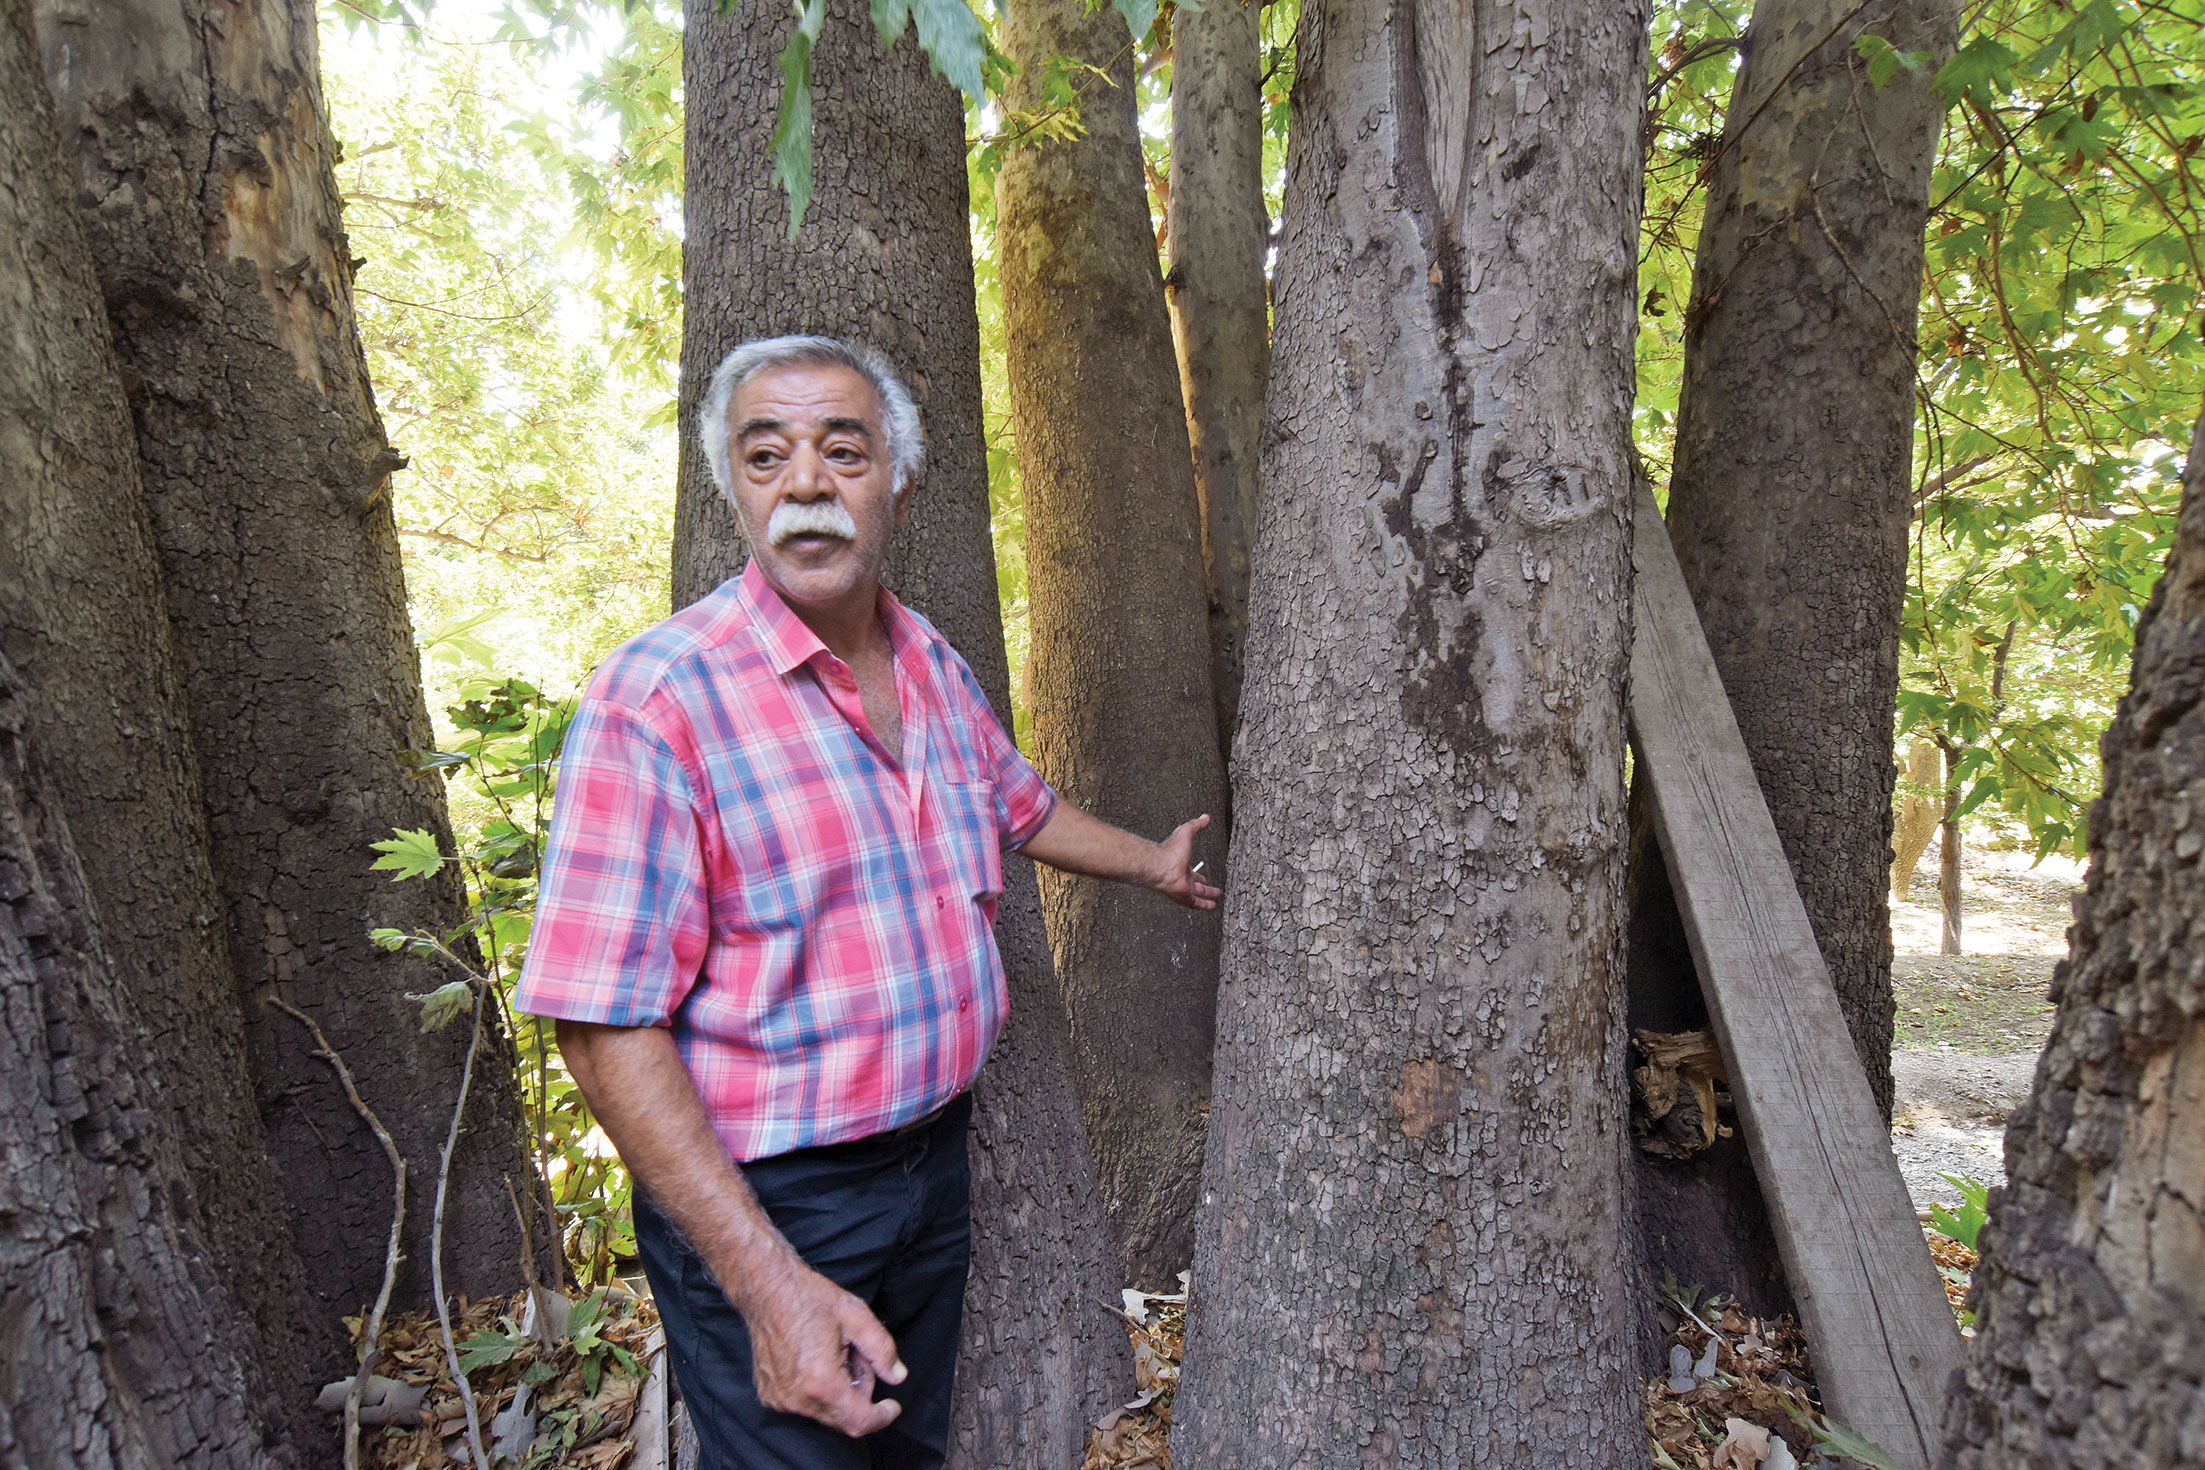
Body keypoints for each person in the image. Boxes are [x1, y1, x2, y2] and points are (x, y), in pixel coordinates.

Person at [514, 334, 1220, 1469]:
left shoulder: (929, 658)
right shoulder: (658, 700)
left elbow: (1017, 806)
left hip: (931, 1168)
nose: (806, 483)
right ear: (734, 487)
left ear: (898, 475)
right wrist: (768, 1282)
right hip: (772, 1201)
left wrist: (1151, 866)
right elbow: (600, 1024)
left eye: (843, 452)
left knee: (901, 1451)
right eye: (767, 455)